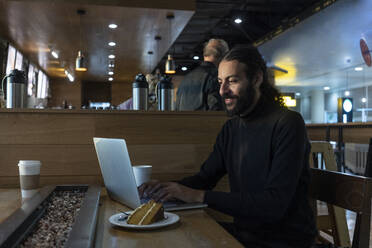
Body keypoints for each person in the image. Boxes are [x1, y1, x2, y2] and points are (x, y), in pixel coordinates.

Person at [139, 45, 317, 247]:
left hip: (284, 241)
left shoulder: (288, 123)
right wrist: (165, 188)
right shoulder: (231, 128)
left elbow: (273, 205)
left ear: (257, 79)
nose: (223, 91)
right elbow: (204, 179)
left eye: (232, 81)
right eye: (220, 82)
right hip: (245, 235)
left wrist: (196, 195)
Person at [175, 38, 229, 111]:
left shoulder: (185, 79)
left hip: (183, 122)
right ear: (223, 57)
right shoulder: (215, 76)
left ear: (205, 55)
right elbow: (216, 111)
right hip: (205, 122)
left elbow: (177, 109)